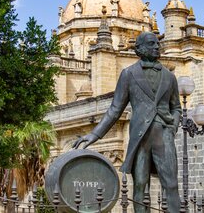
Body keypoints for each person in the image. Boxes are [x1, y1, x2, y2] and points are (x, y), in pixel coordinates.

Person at [73, 32, 182, 213]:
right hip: (140, 138)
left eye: (157, 44)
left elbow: (176, 107)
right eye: (151, 44)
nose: (157, 47)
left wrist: (173, 127)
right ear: (139, 49)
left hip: (164, 134)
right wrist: (93, 135)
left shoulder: (169, 77)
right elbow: (115, 109)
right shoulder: (128, 74)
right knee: (140, 185)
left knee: (171, 184)